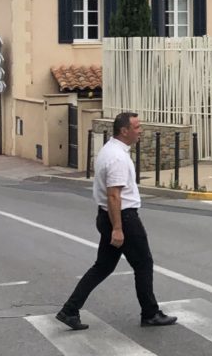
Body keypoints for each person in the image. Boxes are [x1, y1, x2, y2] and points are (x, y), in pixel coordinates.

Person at [57, 112, 177, 330]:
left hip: (108, 215)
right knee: (143, 264)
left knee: (103, 266)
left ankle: (69, 310)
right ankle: (150, 313)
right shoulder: (117, 157)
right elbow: (114, 195)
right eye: (137, 127)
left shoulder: (110, 150)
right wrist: (118, 228)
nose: (141, 131)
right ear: (124, 130)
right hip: (123, 217)